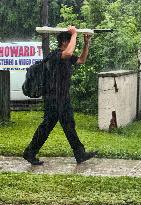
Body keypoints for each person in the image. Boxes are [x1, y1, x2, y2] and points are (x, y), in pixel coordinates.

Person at [23, 26, 97, 165]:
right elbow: (68, 53)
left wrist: (86, 43)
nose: (72, 44)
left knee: (68, 126)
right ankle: (30, 152)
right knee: (47, 127)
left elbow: (81, 60)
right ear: (64, 42)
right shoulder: (55, 55)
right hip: (53, 98)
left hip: (63, 98)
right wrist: (74, 33)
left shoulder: (66, 57)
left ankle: (79, 154)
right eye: (70, 41)